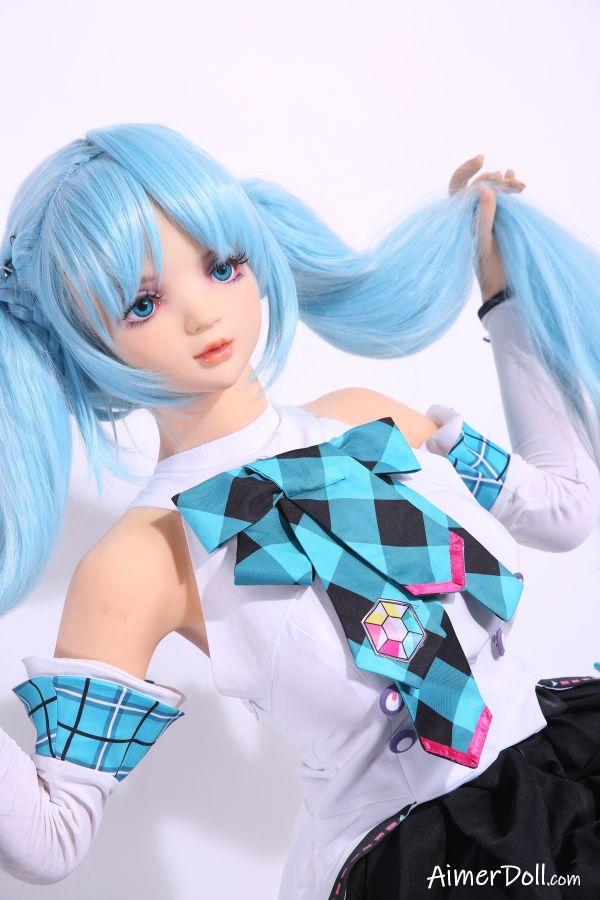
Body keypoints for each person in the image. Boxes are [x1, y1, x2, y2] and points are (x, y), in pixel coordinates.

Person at [0, 124, 599, 899]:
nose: (202, 316)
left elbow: (563, 509)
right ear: (84, 340)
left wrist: (507, 295)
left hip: (564, 774)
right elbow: (52, 839)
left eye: (221, 266)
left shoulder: (365, 418)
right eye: (142, 304)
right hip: (417, 862)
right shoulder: (142, 557)